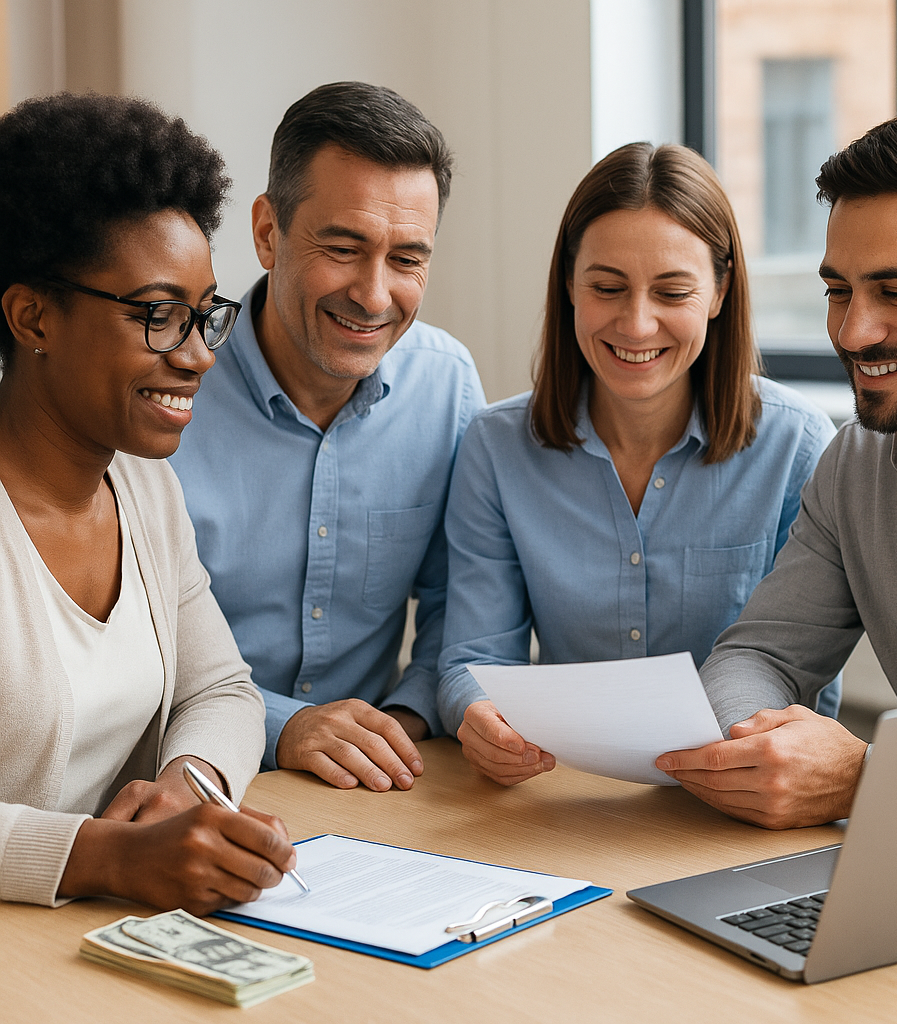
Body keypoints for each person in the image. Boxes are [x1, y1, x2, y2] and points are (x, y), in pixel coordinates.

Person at [656, 107, 897, 829]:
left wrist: (874, 780)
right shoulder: (854, 463)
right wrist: (757, 751)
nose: (854, 332)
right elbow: (757, 654)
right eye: (838, 290)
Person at [436, 142, 838, 785]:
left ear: (719, 290)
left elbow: (805, 680)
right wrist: (477, 714)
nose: (637, 323)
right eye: (607, 287)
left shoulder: (797, 447)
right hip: (564, 794)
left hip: (738, 796)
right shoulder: (495, 447)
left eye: (672, 290)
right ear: (569, 283)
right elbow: (475, 657)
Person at [0, 93, 297, 910]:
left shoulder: (142, 485)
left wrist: (188, 784)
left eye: (206, 316)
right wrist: (104, 857)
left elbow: (223, 692)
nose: (200, 357)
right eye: (160, 316)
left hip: (107, 940)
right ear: (33, 317)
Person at [170, 82, 485, 794]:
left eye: (407, 259)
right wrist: (286, 727)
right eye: (344, 248)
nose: (375, 295)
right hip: (185, 778)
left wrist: (401, 722)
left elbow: (457, 607)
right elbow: (131, 655)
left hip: (371, 785)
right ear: (267, 233)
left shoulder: (447, 386)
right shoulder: (165, 388)